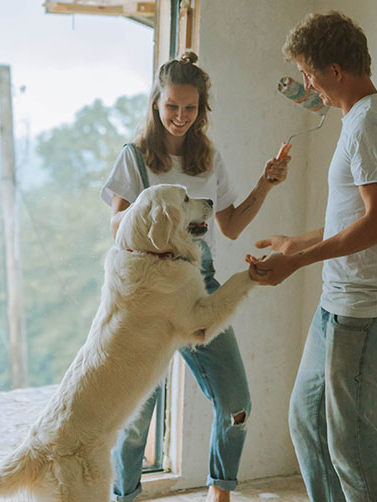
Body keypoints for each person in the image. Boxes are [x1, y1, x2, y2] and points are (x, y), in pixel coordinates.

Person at [100, 51, 290, 502]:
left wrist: (266, 183)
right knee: (134, 418)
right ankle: (124, 496)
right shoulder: (136, 157)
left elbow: (231, 226)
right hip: (147, 291)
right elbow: (116, 228)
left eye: (190, 108)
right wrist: (163, 220)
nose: (180, 117)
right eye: (172, 107)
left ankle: (219, 493)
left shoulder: (208, 159)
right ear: (156, 104)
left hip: (199, 285)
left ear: (201, 108)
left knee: (236, 403)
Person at [247, 12, 377, 502]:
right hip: (338, 307)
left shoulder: (370, 125)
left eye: (309, 73)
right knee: (308, 424)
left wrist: (297, 265)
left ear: (336, 71)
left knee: (355, 453)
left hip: (366, 312)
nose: (307, 85)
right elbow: (357, 218)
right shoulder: (359, 121)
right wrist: (295, 245)